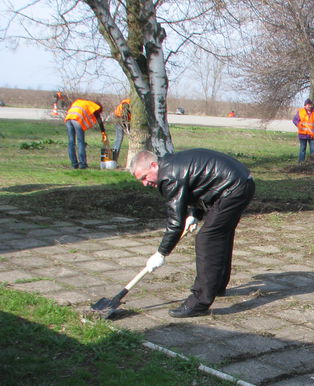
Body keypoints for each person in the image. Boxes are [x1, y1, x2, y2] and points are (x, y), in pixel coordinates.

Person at [128, 148, 255, 318]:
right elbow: (200, 184)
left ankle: (200, 302)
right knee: (220, 234)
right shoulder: (171, 164)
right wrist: (195, 214)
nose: (145, 183)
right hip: (241, 182)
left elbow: (175, 223)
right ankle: (217, 285)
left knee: (207, 239)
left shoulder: (168, 176)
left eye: (144, 177)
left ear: (153, 165)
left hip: (233, 188)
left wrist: (161, 253)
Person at [64, 98, 106, 169]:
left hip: (68, 119)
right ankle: (82, 164)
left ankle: (74, 164)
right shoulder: (93, 106)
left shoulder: (82, 102)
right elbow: (99, 119)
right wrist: (103, 132)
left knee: (71, 143)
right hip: (77, 119)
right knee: (80, 142)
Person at [111, 98, 131, 163]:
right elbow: (124, 116)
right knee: (118, 140)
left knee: (118, 139)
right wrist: (126, 128)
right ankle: (113, 160)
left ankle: (113, 160)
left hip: (122, 120)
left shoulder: (129, 102)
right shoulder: (127, 103)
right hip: (120, 120)